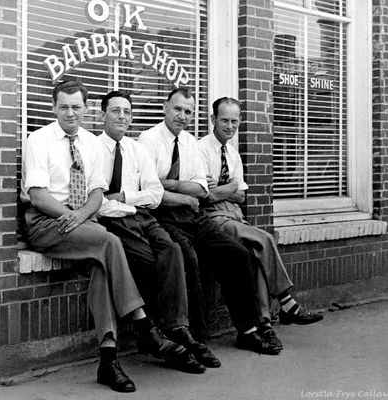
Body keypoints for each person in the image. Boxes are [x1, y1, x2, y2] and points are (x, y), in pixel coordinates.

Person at [21, 80, 204, 393]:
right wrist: (72, 216)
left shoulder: (90, 143)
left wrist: (81, 214)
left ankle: (108, 358)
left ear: (86, 109)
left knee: (101, 268)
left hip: (80, 221)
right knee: (111, 241)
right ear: (53, 108)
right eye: (63, 106)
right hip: (48, 222)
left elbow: (96, 192)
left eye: (76, 106)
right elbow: (37, 195)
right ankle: (145, 325)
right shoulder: (38, 140)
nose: (69, 113)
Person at [138, 87, 280, 355]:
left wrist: (173, 185)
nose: (182, 116)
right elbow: (149, 190)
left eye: (188, 112)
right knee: (188, 258)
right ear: (165, 108)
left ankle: (248, 331)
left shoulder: (191, 143)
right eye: (178, 109)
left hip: (193, 215)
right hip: (162, 216)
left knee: (236, 254)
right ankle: (195, 338)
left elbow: (202, 189)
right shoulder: (148, 140)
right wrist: (183, 189)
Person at [95, 90, 220, 370]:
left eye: (127, 112)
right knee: (153, 261)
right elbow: (98, 201)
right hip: (113, 220)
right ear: (102, 114)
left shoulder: (136, 148)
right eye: (115, 111)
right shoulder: (91, 148)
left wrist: (126, 197)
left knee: (171, 250)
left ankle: (178, 329)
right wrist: (127, 199)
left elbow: (154, 193)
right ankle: (159, 334)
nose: (122, 117)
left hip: (141, 215)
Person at [198, 97, 324, 346]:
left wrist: (227, 189)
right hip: (213, 218)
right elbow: (206, 196)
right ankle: (288, 303)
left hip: (235, 215)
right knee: (264, 238)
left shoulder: (233, 154)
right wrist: (230, 187)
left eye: (235, 121)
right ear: (213, 120)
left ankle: (263, 324)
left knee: (254, 256)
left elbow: (242, 195)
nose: (230, 126)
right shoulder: (200, 150)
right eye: (224, 120)